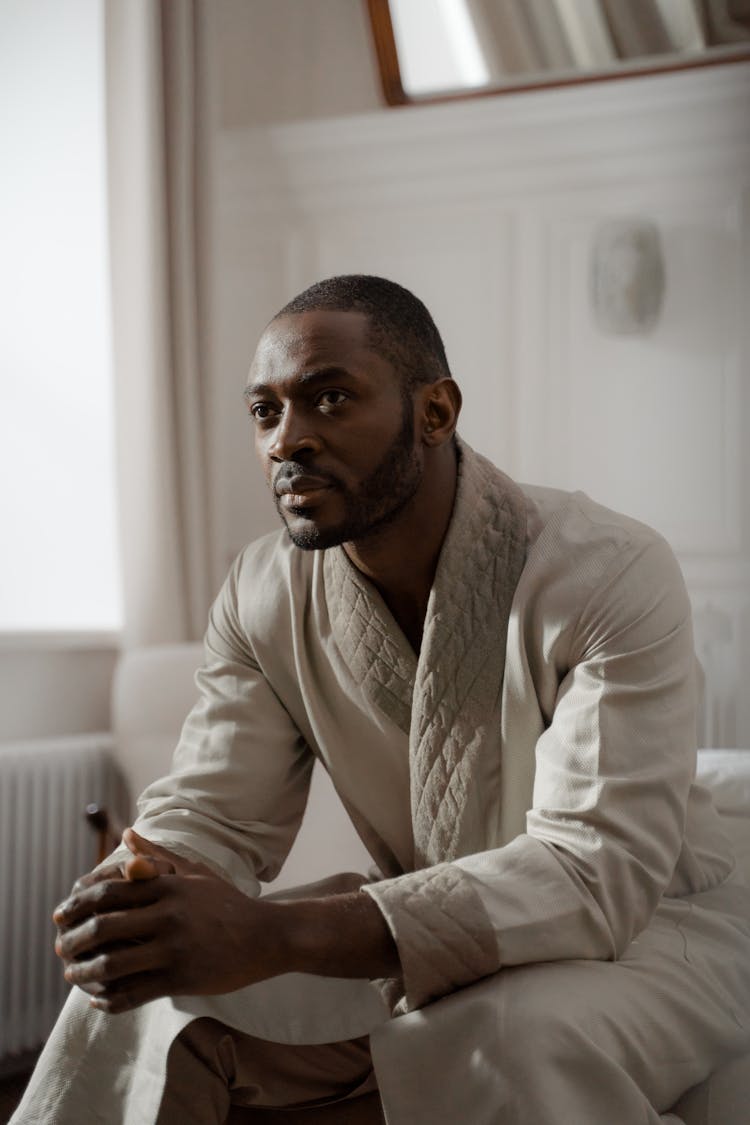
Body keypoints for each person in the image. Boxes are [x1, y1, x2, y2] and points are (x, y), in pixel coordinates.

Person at [12, 275, 750, 1124]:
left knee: (502, 1039)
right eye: (264, 412)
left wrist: (272, 936)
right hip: (424, 924)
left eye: (328, 399)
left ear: (435, 412)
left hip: (659, 934)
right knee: (142, 996)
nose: (288, 440)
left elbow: (594, 873)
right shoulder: (261, 593)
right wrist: (135, 897)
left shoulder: (609, 570)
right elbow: (211, 814)